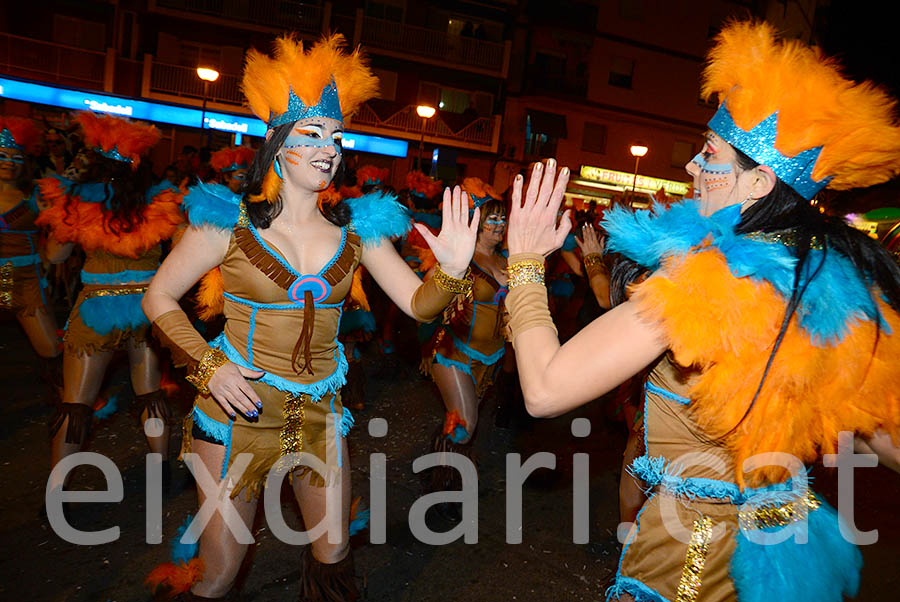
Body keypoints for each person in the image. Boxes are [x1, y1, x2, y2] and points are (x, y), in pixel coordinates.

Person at [504, 21, 900, 602]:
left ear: (759, 182)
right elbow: (874, 435)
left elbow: (543, 389)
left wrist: (524, 261)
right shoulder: (828, 285)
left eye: (708, 154)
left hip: (690, 558)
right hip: (782, 556)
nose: (691, 166)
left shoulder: (703, 282)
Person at [142, 34, 479, 601]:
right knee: (221, 575)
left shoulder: (357, 231)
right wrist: (209, 367)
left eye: (337, 136)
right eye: (313, 134)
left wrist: (450, 271)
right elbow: (158, 299)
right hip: (234, 414)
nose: (330, 148)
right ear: (276, 143)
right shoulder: (225, 223)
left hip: (320, 415)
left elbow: (419, 306)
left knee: (334, 554)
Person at [36, 111, 182, 499]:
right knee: (149, 393)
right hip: (147, 311)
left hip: (95, 310)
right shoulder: (162, 200)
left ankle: (57, 492)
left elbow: (54, 256)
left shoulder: (77, 202)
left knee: (76, 404)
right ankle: (162, 473)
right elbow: (183, 254)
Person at [420, 178, 508, 500]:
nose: (499, 225)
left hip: (492, 358)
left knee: (460, 421)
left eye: (503, 219)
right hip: (454, 351)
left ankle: (438, 468)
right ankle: (442, 490)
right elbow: (428, 288)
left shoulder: (507, 260)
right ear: (478, 223)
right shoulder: (464, 258)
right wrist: (447, 267)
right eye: (492, 219)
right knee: (465, 421)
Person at [0, 116, 63, 383]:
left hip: (26, 280)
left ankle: (71, 393)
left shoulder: (35, 195)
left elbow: (56, 240)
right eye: (3, 154)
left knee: (49, 348)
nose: (9, 162)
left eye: (16, 157)